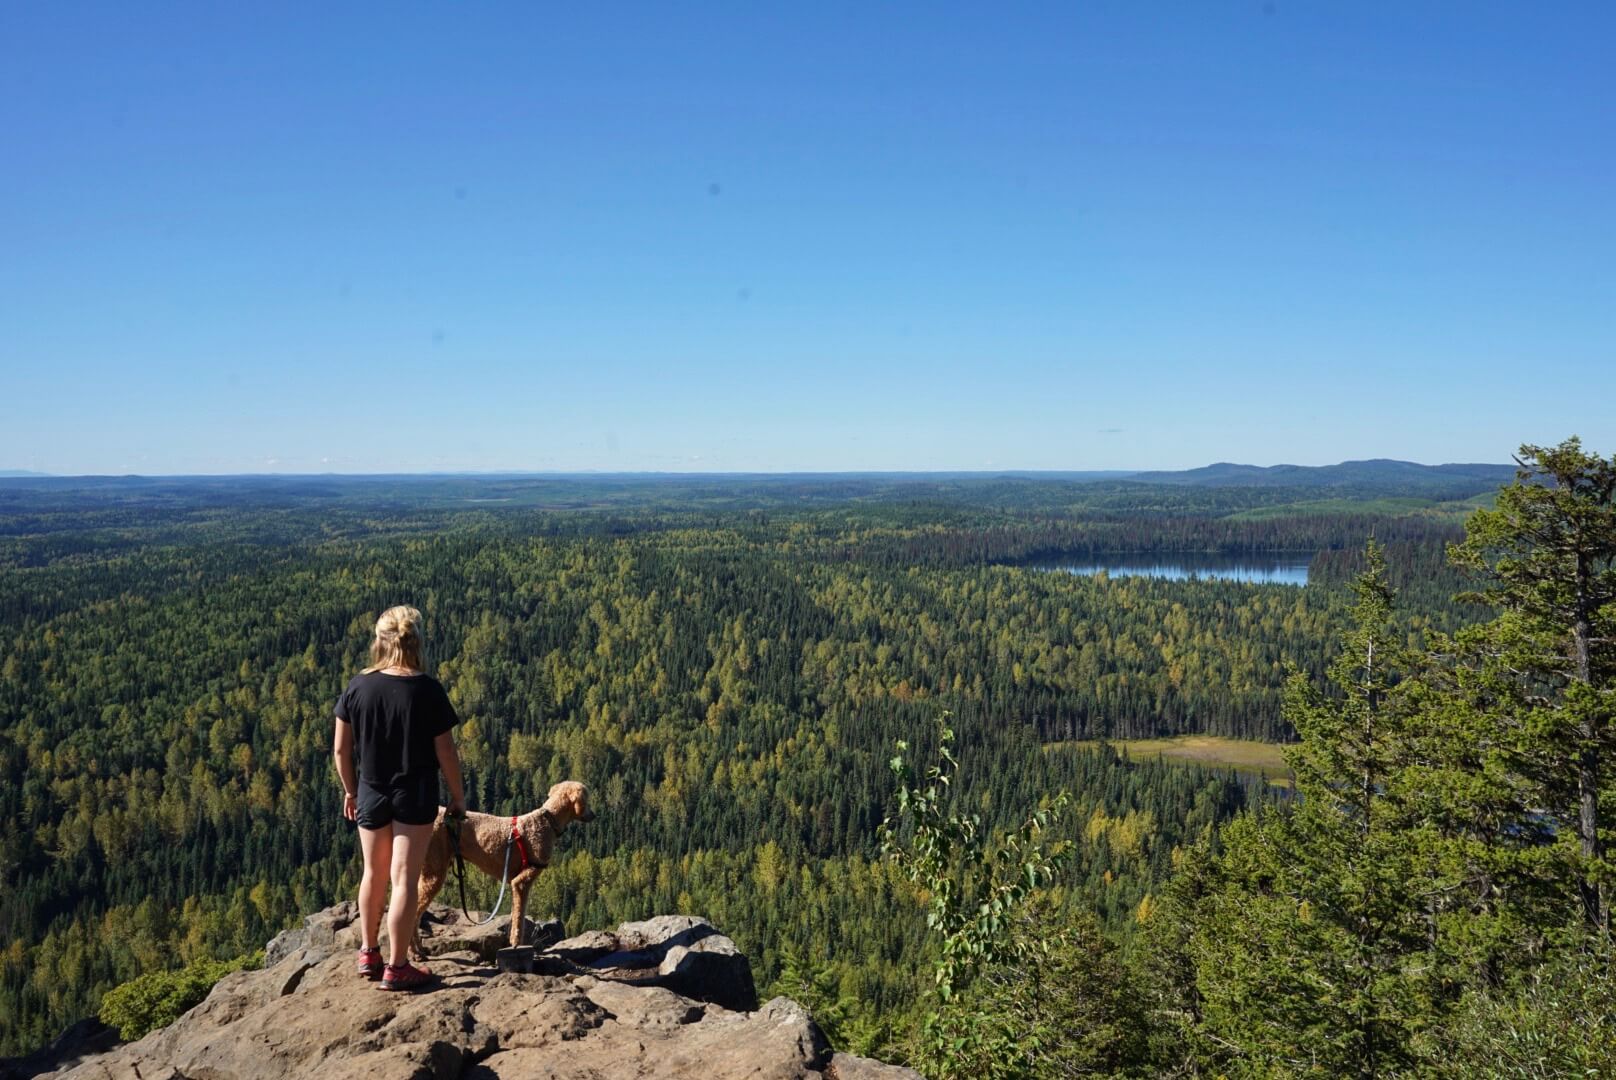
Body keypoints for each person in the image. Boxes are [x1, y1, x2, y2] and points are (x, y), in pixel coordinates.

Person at [332, 604, 465, 991]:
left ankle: (368, 952)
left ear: (380, 641)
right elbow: (446, 752)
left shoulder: (358, 685)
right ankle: (398, 966)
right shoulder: (427, 689)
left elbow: (341, 750)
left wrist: (351, 789)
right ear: (415, 641)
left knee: (372, 873)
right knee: (404, 879)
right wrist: (458, 798)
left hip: (371, 792)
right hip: (416, 793)